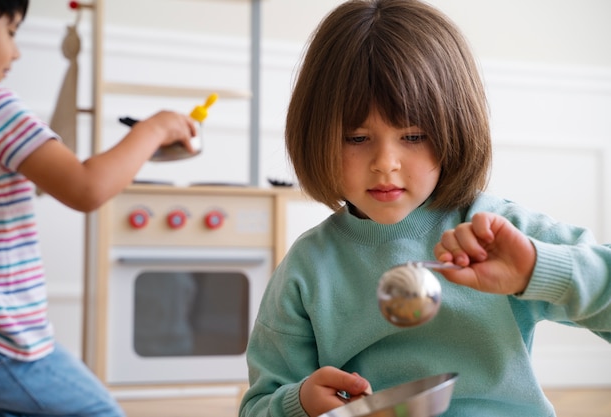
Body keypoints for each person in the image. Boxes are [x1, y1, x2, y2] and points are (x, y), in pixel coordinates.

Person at [238, 0, 611, 416]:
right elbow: (257, 407)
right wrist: (300, 402)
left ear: (455, 128)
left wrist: (539, 272)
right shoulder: (307, 270)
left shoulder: (500, 235)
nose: (385, 163)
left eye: (413, 136)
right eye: (357, 138)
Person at [0, 1, 197, 416]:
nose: (16, 52)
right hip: (2, 342)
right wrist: (154, 129)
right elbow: (86, 187)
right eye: (9, 32)